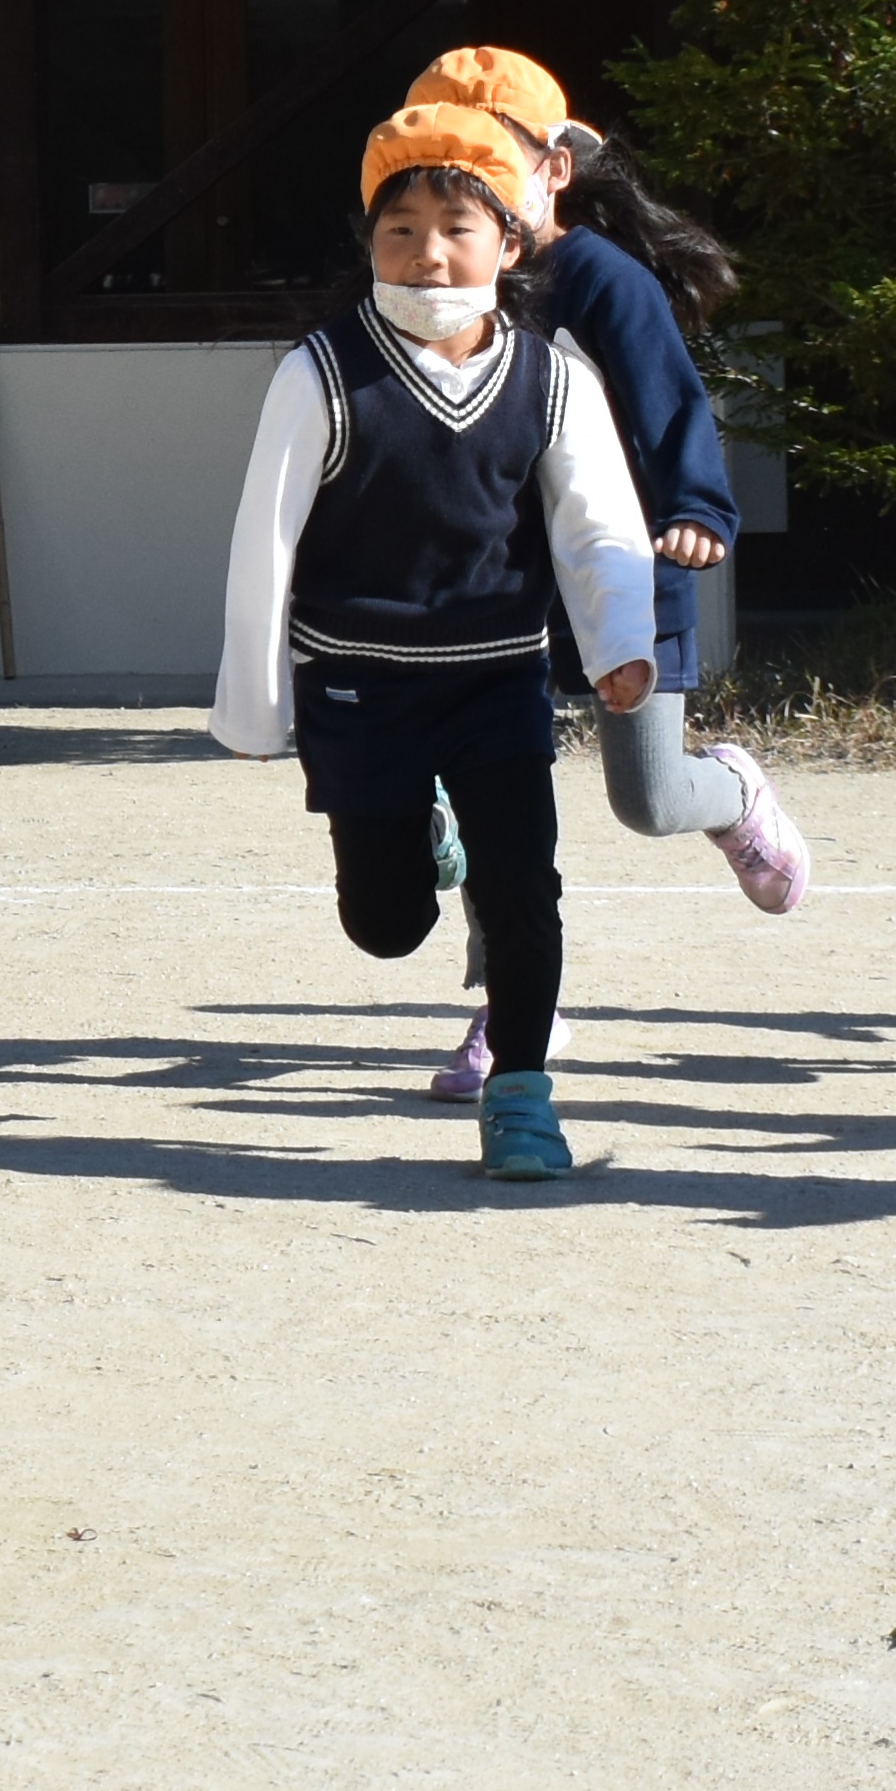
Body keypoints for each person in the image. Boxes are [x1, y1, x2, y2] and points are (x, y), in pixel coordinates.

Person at [207, 102, 656, 1183]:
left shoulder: (553, 378)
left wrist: (619, 642)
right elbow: (264, 537)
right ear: (367, 243)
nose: (428, 251)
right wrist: (260, 706)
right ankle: (422, 842)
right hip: (359, 683)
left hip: (495, 676)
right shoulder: (319, 373)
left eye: (457, 224)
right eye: (398, 228)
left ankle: (523, 1095)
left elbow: (596, 523)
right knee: (385, 924)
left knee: (524, 888)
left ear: (512, 241)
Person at [395, 48, 810, 1107]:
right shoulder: (433, 287)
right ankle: (510, 1006)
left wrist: (700, 511)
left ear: (554, 172)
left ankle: (729, 794)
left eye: (497, 158)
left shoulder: (602, 282)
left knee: (646, 795)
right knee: (492, 793)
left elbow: (673, 409)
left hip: (624, 564)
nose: (468, 181)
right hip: (492, 579)